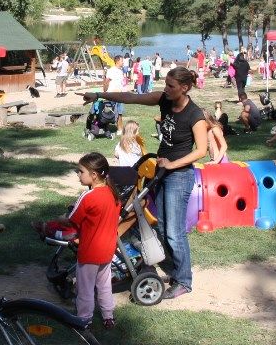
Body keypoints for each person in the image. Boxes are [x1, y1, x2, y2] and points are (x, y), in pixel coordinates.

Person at [81, 66, 207, 300]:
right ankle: (175, 269)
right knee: (161, 226)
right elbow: (131, 97)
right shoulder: (164, 99)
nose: (166, 89)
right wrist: (99, 95)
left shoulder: (195, 115)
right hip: (160, 172)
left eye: (171, 86)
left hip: (179, 176)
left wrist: (173, 164)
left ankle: (184, 281)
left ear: (185, 88)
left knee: (174, 232)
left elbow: (202, 150)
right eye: (166, 84)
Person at [68, 152, 121, 328]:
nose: (78, 175)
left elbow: (73, 220)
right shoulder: (114, 194)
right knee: (104, 285)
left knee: (85, 289)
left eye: (80, 171)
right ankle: (108, 317)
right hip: (107, 250)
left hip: (90, 251)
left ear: (94, 175)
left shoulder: (89, 196)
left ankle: (84, 320)